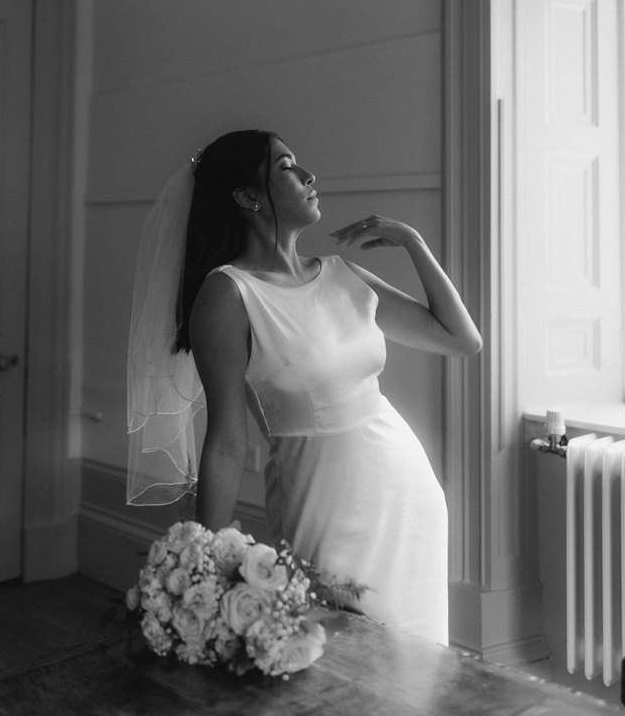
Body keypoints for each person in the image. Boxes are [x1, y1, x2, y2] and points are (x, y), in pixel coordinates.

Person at [127, 128, 481, 646]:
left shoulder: (344, 275)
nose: (309, 175)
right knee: (335, 655)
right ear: (249, 197)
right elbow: (226, 439)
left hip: (406, 490)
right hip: (324, 499)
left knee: (415, 661)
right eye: (288, 166)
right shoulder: (228, 293)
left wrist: (414, 243)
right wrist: (204, 562)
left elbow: (461, 339)